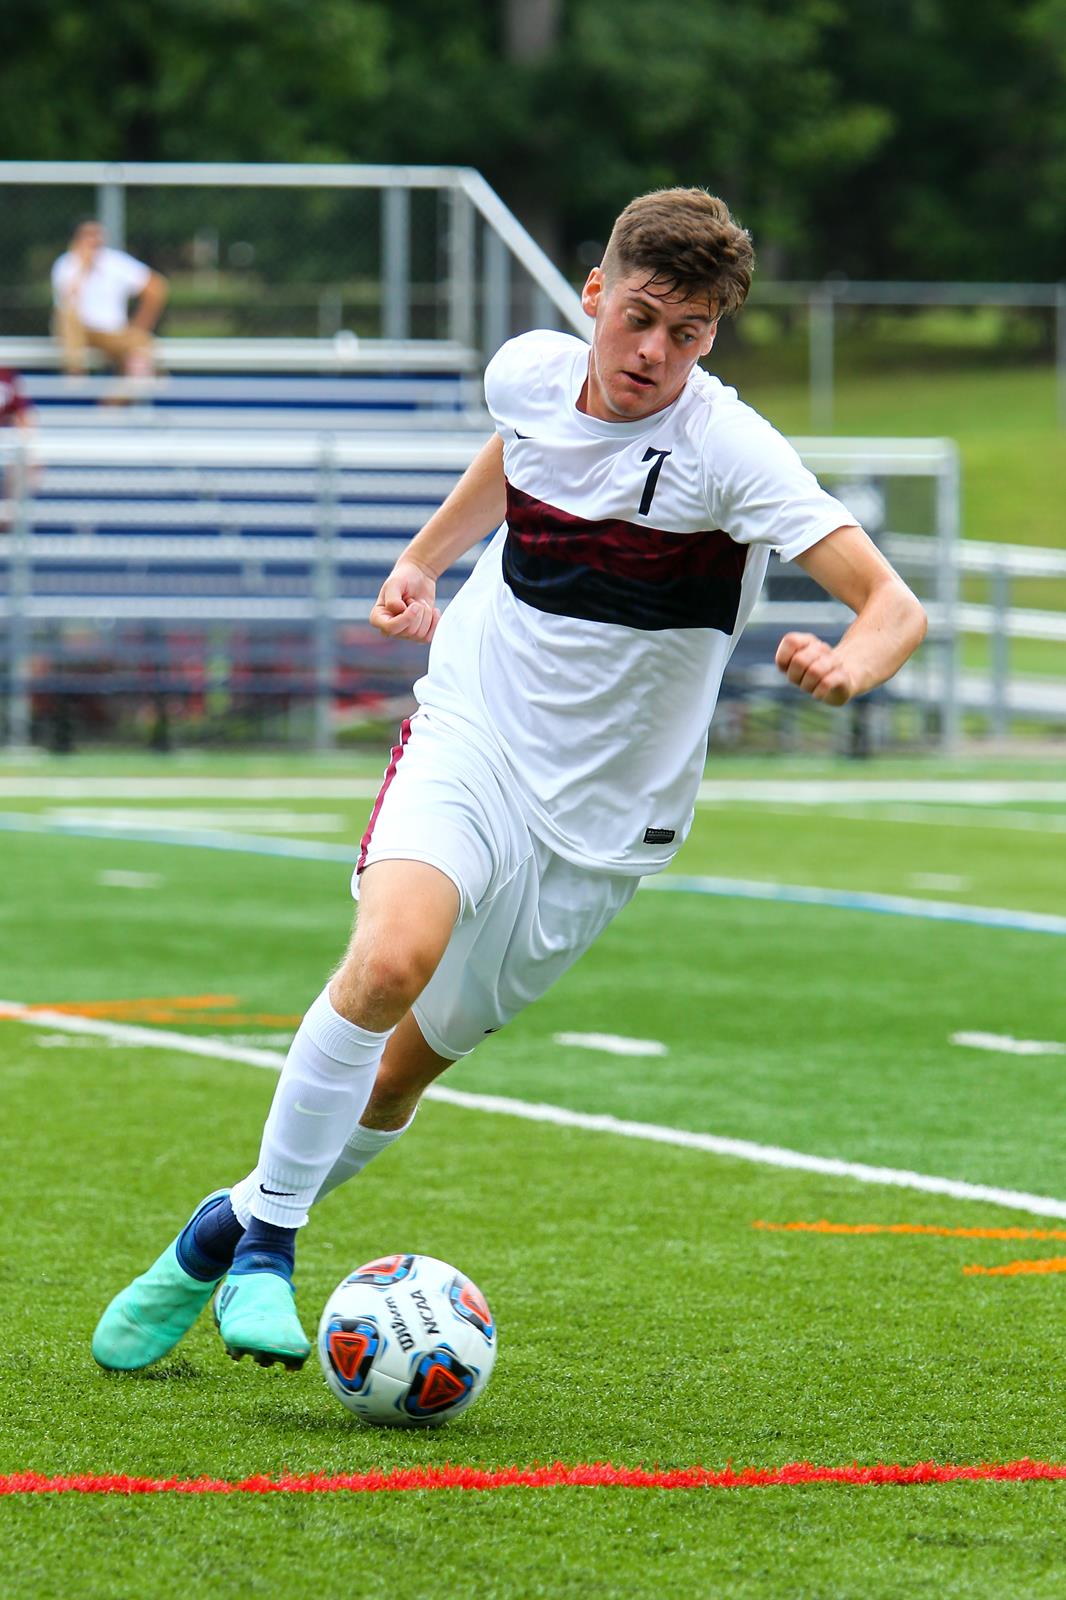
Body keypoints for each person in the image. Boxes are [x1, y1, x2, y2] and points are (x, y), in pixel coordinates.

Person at [91, 187, 927, 1374]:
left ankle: (211, 1237)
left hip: (599, 826)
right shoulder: (530, 370)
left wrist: (852, 665)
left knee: (395, 1075)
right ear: (594, 293)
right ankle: (272, 1248)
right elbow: (516, 452)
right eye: (637, 318)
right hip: (472, 730)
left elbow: (893, 603)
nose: (652, 353)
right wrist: (425, 559)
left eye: (686, 335)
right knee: (388, 961)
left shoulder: (727, 450)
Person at [51, 220, 167, 380]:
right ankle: (75, 374)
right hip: (80, 332)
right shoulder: (66, 264)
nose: (93, 241)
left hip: (113, 332)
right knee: (67, 317)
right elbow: (67, 300)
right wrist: (83, 269)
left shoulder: (114, 262)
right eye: (88, 235)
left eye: (97, 235)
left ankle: (110, 402)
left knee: (141, 352)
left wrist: (140, 326)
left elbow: (156, 287)